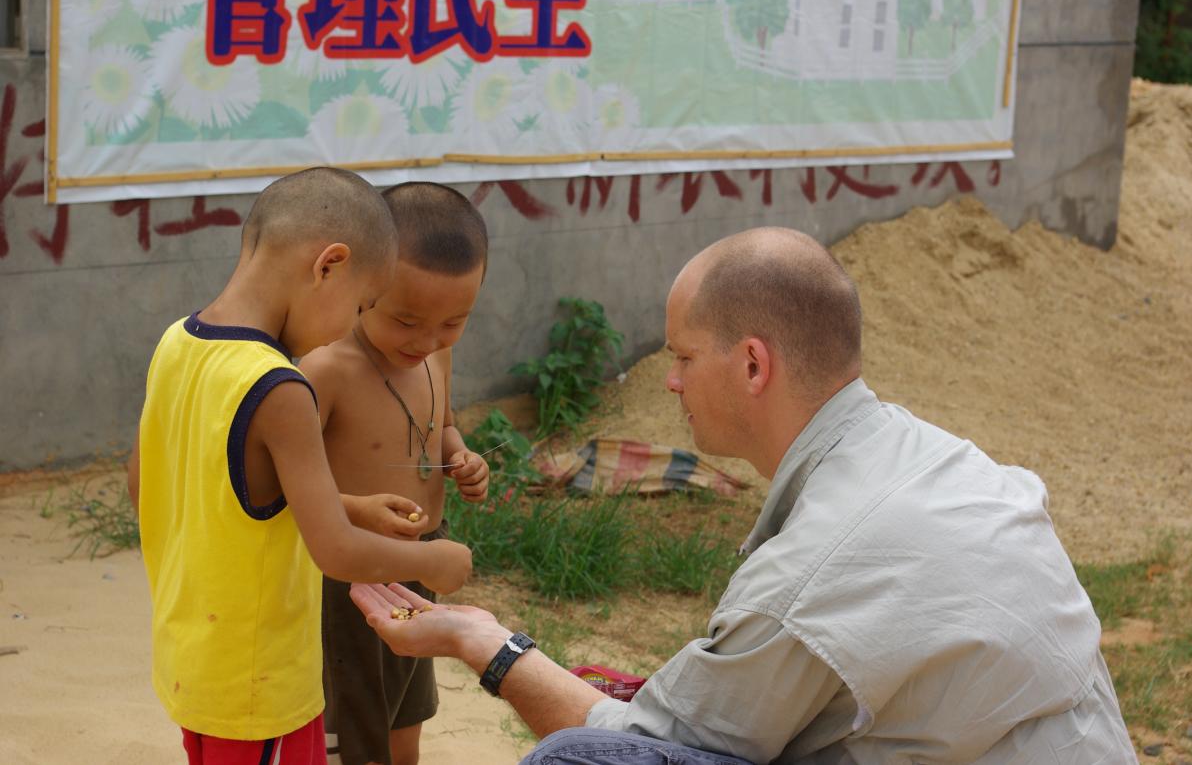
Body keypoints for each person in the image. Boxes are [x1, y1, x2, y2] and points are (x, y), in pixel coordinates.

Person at [346, 226, 1139, 764]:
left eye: (686, 355)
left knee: (581, 758)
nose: (672, 378)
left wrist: (486, 642)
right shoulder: (933, 455)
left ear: (754, 365)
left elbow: (650, 737)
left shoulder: (817, 565)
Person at [126, 167, 473, 765]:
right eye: (362, 303)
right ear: (328, 266)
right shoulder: (280, 387)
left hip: (193, 658)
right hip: (261, 684)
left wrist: (350, 505)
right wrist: (435, 561)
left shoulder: (175, 343)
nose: (349, 326)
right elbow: (335, 552)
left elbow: (155, 485)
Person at [300, 182, 491, 765]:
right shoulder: (326, 367)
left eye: (453, 322)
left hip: (418, 563)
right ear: (365, 285)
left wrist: (461, 455)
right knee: (356, 719)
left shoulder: (435, 353)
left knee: (407, 708)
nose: (428, 340)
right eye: (406, 320)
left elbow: (442, 424)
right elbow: (283, 482)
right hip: (351, 575)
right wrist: (353, 507)